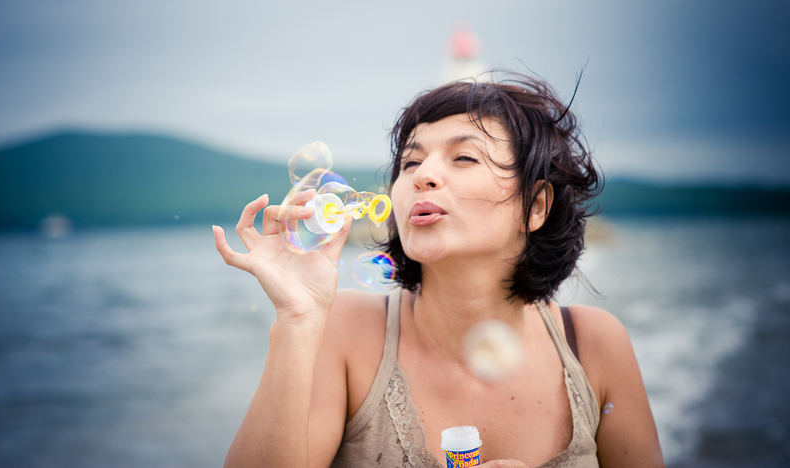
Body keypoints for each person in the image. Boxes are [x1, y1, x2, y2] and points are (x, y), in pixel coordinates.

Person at [212, 75, 665, 467]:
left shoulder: (595, 346)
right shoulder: (344, 330)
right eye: (410, 162)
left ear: (536, 206)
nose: (421, 175)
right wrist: (298, 318)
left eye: (464, 157)